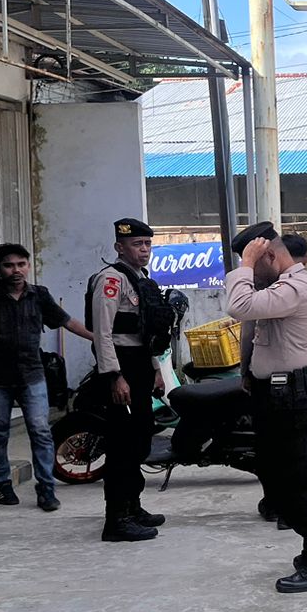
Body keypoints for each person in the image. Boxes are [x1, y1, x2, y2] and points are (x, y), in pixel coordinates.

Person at [226, 225, 307, 593]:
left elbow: (238, 307)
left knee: (298, 478)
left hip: (293, 395)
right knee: (282, 476)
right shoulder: (281, 287)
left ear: (271, 257)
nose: (252, 277)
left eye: (256, 268)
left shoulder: (295, 288)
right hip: (278, 394)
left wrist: (245, 264)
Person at [0, 243, 92, 510]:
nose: (16, 270)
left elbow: (67, 322)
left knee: (41, 432)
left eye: (21, 264)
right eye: (9, 265)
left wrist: (99, 339)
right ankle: (2, 484)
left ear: (28, 265)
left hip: (31, 374)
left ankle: (46, 489)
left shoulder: (39, 295)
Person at [89, 218, 171, 542]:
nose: (145, 250)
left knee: (139, 440)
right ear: (119, 247)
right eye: (138, 244)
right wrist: (114, 377)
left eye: (148, 244)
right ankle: (116, 520)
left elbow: (147, 333)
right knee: (122, 446)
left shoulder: (140, 279)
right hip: (120, 368)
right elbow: (103, 335)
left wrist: (155, 370)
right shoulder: (111, 280)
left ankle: (133, 506)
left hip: (138, 366)